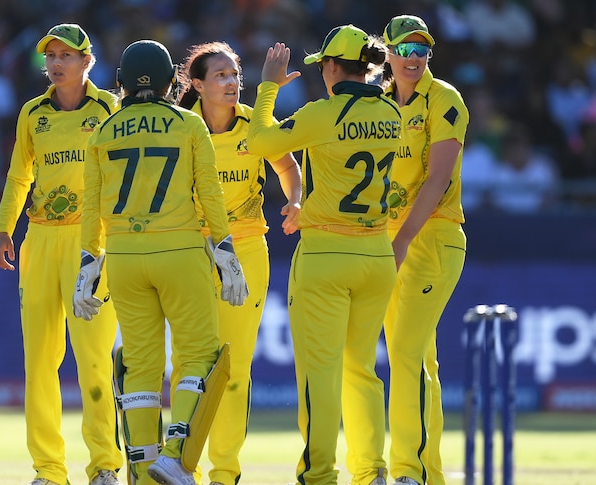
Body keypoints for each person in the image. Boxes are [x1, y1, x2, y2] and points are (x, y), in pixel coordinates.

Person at [71, 39, 249, 485]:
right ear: (174, 80)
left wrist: (88, 264)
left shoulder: (104, 132)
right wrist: (226, 254)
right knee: (200, 357)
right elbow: (209, 194)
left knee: (141, 363)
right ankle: (174, 457)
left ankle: (142, 472)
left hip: (126, 257)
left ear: (120, 83)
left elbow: (90, 207)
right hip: (181, 252)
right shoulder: (189, 124)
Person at [247, 25, 400, 485]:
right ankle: (371, 470)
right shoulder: (391, 114)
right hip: (377, 255)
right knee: (363, 371)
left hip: (326, 256)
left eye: (323, 67)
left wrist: (269, 87)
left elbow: (260, 143)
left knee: (320, 373)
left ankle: (319, 474)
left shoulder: (323, 112)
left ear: (333, 67)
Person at [0, 23, 123, 485]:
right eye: (50, 55)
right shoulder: (32, 113)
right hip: (41, 239)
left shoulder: (110, 107)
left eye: (67, 55)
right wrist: (4, 228)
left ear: (88, 61)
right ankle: (48, 470)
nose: (56, 63)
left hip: (93, 242)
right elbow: (17, 177)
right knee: (41, 361)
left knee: (94, 360)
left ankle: (105, 465)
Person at [175, 41, 302, 485]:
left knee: (234, 369)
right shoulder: (182, 128)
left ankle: (224, 473)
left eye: (236, 76)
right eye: (221, 76)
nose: (232, 83)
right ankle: (180, 464)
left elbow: (288, 167)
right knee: (193, 364)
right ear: (197, 84)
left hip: (247, 250)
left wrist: (296, 201)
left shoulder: (254, 123)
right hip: (191, 251)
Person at [380, 15, 469, 485]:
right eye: (406, 50)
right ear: (388, 52)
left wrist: (401, 240)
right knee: (416, 357)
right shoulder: (378, 101)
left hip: (431, 237)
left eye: (422, 51)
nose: (414, 59)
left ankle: (407, 472)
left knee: (407, 357)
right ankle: (429, 473)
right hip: (390, 239)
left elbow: (437, 179)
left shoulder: (444, 99)